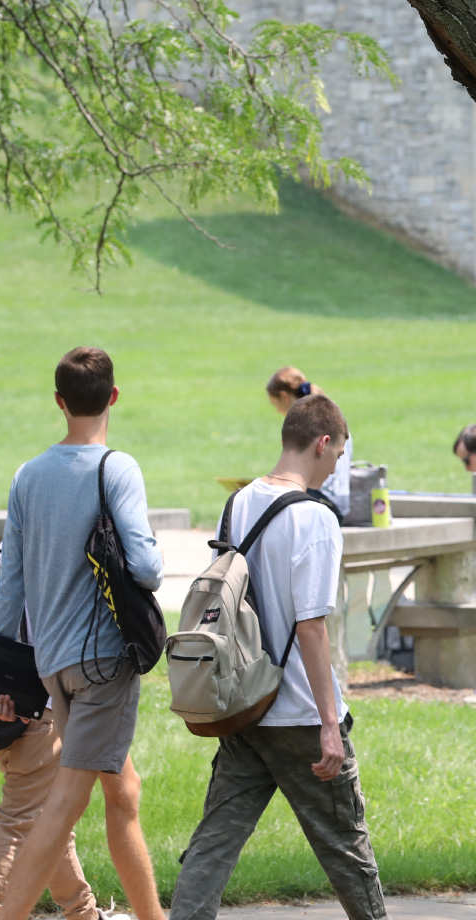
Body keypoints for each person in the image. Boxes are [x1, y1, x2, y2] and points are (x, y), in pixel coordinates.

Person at [169, 394, 385, 920]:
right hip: (300, 716)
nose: (335, 469)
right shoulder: (315, 518)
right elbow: (311, 627)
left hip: (245, 702)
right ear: (322, 442)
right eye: (336, 457)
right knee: (347, 852)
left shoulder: (240, 501)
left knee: (214, 842)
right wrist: (330, 723)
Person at [0, 346, 165, 920]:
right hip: (105, 662)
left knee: (122, 790)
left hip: (53, 666)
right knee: (64, 804)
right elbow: (147, 568)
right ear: (112, 397)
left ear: (60, 402)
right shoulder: (119, 468)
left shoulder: (27, 476)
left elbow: (9, 584)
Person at [0, 549, 117, 920]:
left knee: (50, 820)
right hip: (43, 707)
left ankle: (83, 913)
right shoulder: (56, 559)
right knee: (21, 819)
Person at [266, 367, 353, 522]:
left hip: (325, 497)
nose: (277, 410)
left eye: (275, 404)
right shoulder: (328, 414)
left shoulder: (309, 424)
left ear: (284, 397)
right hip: (335, 498)